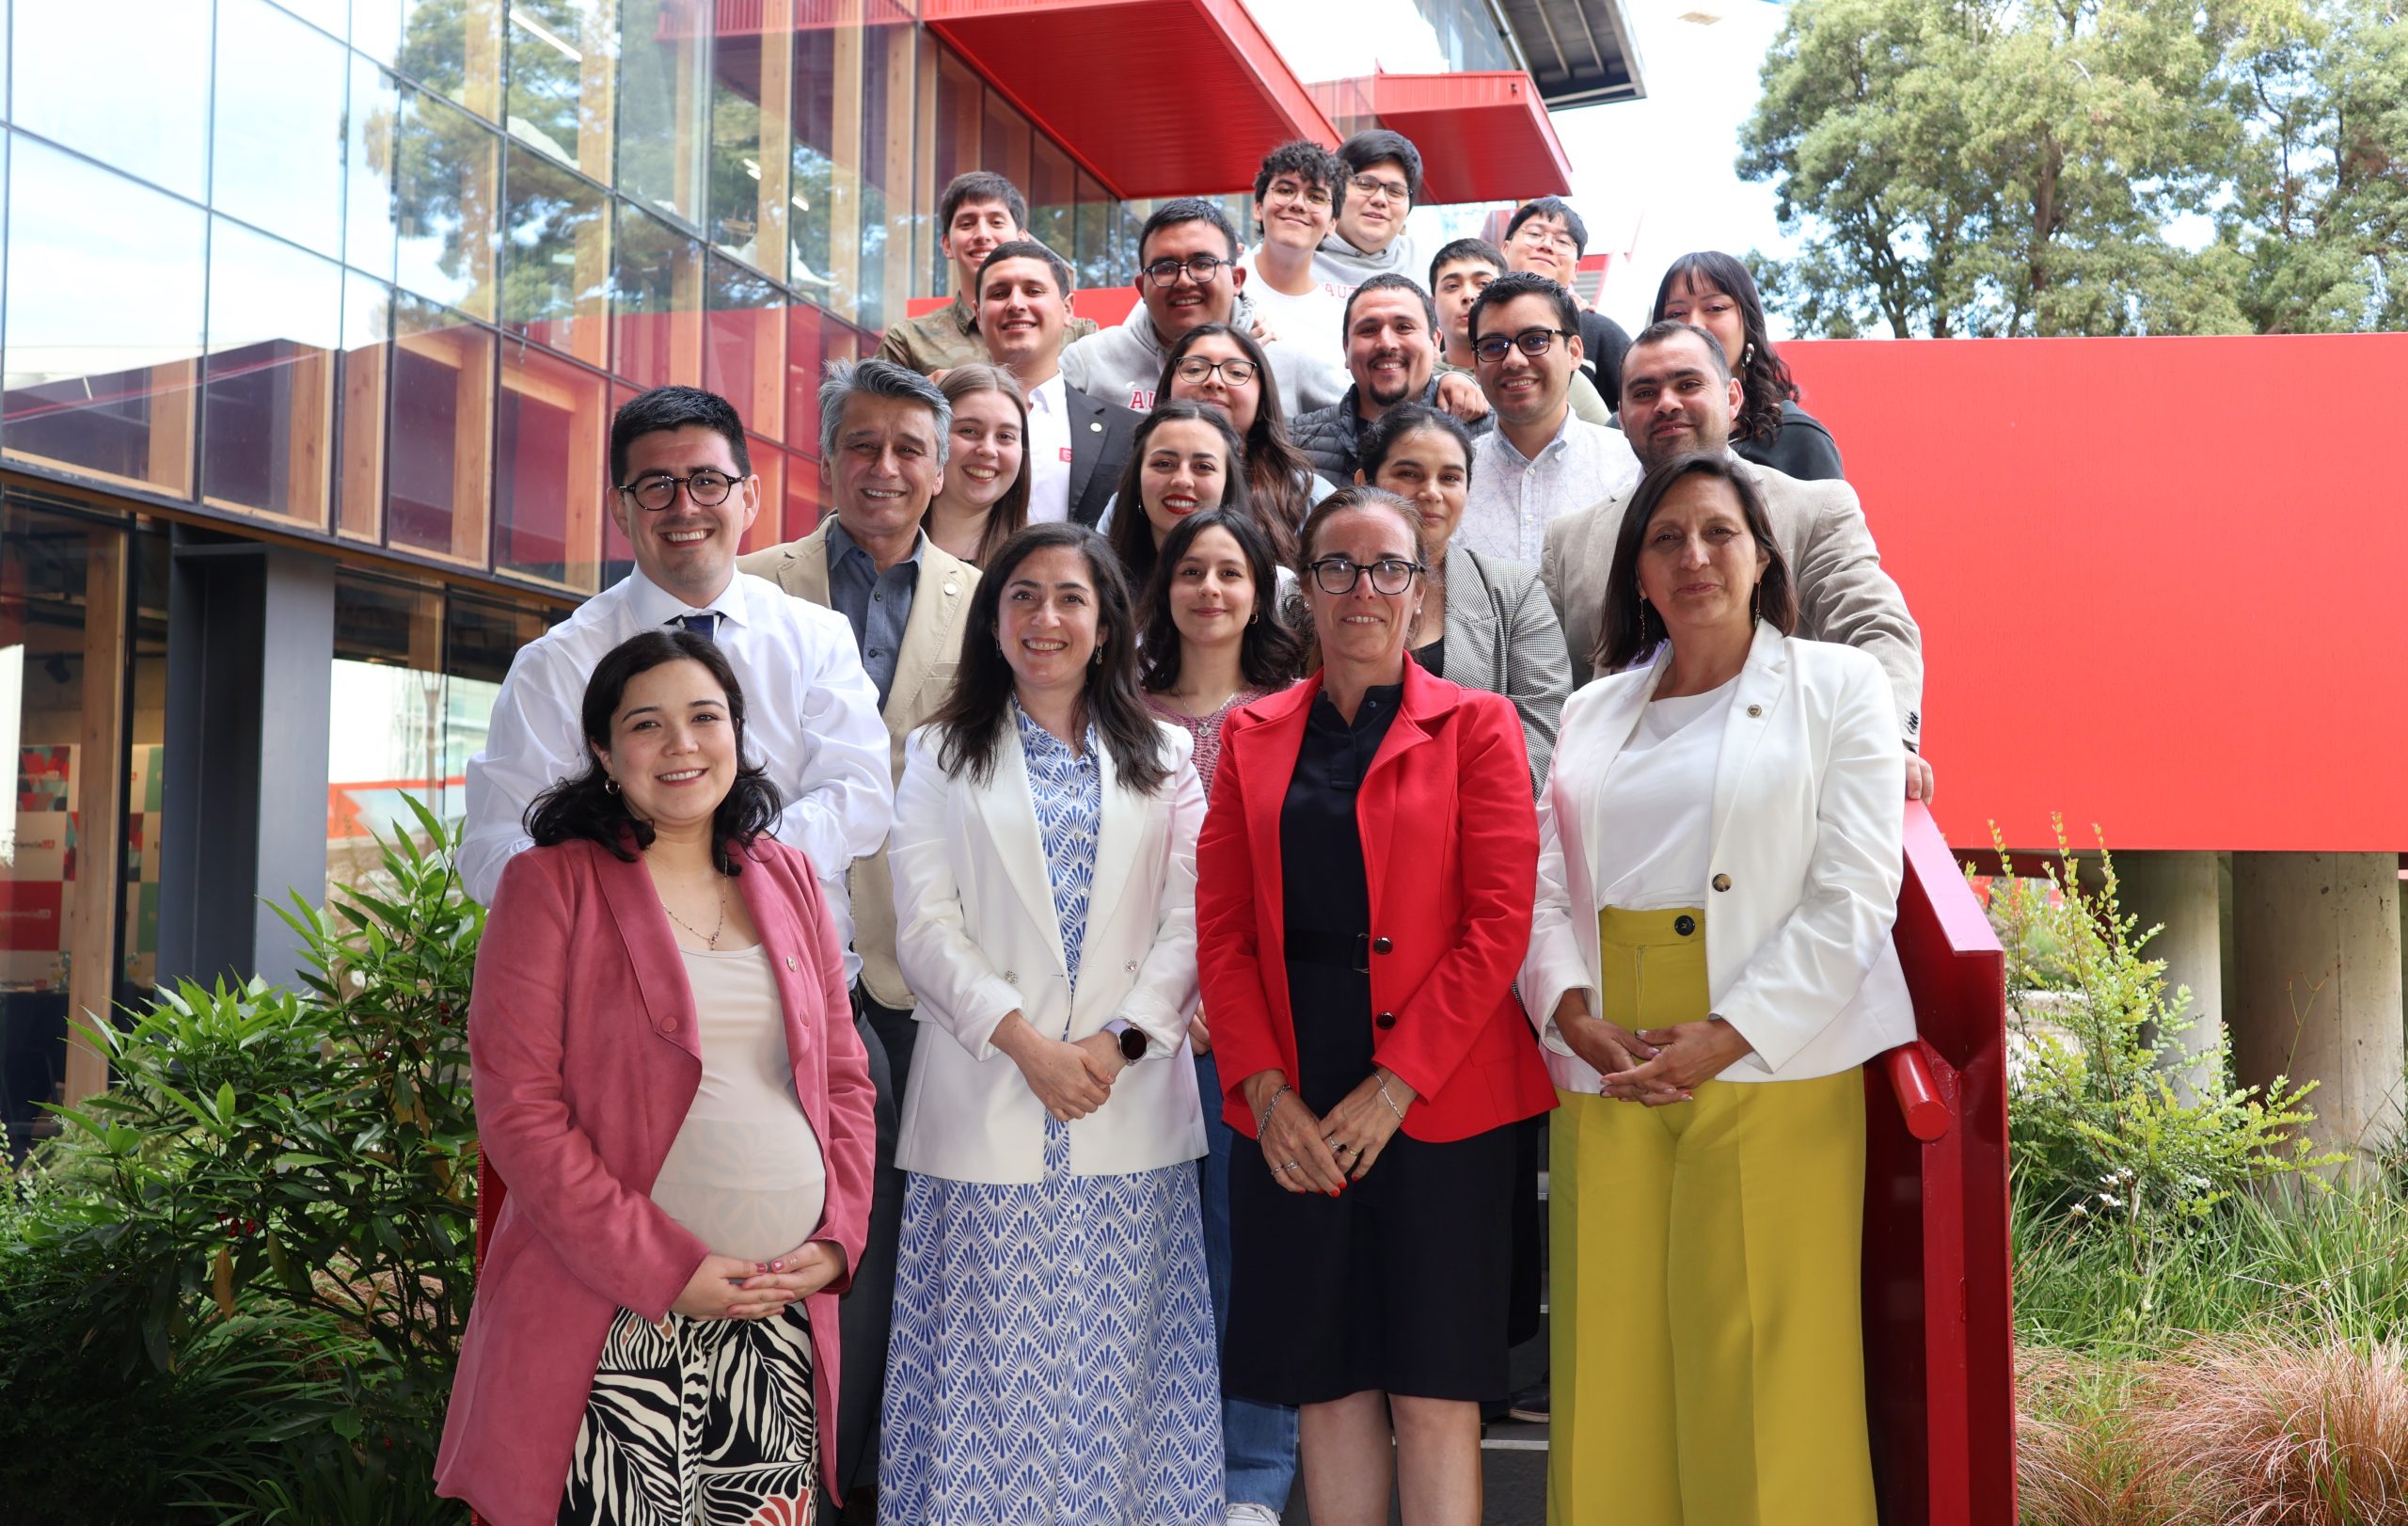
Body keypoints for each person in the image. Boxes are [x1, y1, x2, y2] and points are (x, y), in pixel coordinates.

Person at [1520, 449, 1912, 1526]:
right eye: (1665, 538)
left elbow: (1851, 895)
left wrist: (1729, 1032)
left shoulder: (1839, 687)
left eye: (1718, 533)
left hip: (1771, 1058)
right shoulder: (1595, 708)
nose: (1693, 557)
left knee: (1766, 1385)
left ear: (1761, 553)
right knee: (1610, 1373)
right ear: (1635, 571)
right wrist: (1570, 1012)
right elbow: (1544, 885)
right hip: (1608, 1065)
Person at [436, 630, 879, 1525]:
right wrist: (665, 1267)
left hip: (772, 1323)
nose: (681, 745)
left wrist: (837, 1239)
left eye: (704, 717)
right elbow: (519, 1115)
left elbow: (843, 1079)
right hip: (614, 1320)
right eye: (647, 724)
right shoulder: (548, 886)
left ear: (738, 733)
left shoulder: (785, 875)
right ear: (604, 752)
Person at [1196, 488, 1557, 1526]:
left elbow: (1498, 924)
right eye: (1339, 567)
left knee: (1434, 1391)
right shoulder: (1248, 736)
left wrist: (1394, 1088)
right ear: (1304, 590)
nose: (1364, 589)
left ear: (1419, 588)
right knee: (1327, 1382)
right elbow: (1222, 931)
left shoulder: (1479, 726)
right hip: (1294, 1101)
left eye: (1388, 567)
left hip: (1441, 1102)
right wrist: (1264, 1093)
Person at [879, 522, 1220, 1522]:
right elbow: (924, 923)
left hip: (1129, 1110)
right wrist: (1026, 1044)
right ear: (992, 620)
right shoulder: (941, 750)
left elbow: (1195, 913)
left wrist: (1115, 1044)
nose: (1045, 618)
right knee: (987, 1392)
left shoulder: (1163, 753)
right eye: (1021, 595)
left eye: (1070, 597)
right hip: (987, 1098)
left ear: (1108, 624)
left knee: (1131, 1387)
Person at [732, 358, 977, 1512]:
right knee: (807, 1237)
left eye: (908, 449)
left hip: (940, 981)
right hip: (789, 965)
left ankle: (899, 1479)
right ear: (826, 459)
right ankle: (801, 1477)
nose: (885, 468)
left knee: (927, 1255)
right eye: (862, 445)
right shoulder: (744, 586)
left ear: (941, 466)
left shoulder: (991, 602)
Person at [460, 385, 891, 932]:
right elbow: (494, 850)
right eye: (655, 487)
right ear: (620, 507)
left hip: (803, 983)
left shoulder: (817, 637)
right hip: (623, 984)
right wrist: (641, 880)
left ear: (749, 498)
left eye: (709, 482)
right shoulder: (556, 663)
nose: (685, 507)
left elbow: (862, 799)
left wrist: (723, 858)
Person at [1539, 321, 1931, 795]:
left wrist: (1886, 740)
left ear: (1732, 399)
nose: (1666, 403)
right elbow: (1545, 688)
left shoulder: (1813, 509)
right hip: (1613, 811)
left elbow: (1876, 624)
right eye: (1645, 392)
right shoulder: (1570, 540)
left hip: (1769, 801)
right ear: (1620, 416)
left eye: (1688, 384)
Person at [1136, 507, 1307, 1526]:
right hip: (1141, 1025)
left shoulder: (1291, 710)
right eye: (1190, 570)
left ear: (1260, 591)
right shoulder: (1119, 707)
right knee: (1159, 1253)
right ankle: (1159, 1462)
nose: (1209, 589)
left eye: (1230, 572)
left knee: (1248, 1249)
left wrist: (1222, 997)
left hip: (1253, 1024)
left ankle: (1250, 1471)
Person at [1354, 404, 1568, 794]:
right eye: (1408, 473)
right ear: (1364, 482)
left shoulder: (1514, 592)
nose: (1431, 492)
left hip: (1470, 825)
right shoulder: (1312, 593)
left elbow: (1543, 734)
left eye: (1450, 477)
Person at [1062, 198, 1344, 417]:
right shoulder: (1089, 363)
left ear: (1236, 280)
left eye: (1202, 264)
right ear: (1141, 288)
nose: (1184, 281)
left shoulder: (1290, 361)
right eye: (1165, 267)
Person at [1460, 271, 1640, 564]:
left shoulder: (1632, 469)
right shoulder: (1451, 477)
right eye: (1494, 346)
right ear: (1476, 367)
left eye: (1535, 340)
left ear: (1575, 352)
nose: (1514, 360)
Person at [975, 239, 1138, 528]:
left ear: (1068, 309)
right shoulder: (941, 414)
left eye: (1033, 291)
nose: (1015, 304)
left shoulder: (1127, 431)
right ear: (978, 313)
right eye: (999, 293)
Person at [875, 170, 1098, 374]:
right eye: (966, 224)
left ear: (1023, 239)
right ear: (946, 245)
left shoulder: (1079, 336)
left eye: (996, 222)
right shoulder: (909, 341)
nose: (982, 234)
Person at [1653, 250, 1845, 482]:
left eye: (1715, 308)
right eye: (1676, 313)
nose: (1693, 324)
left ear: (1749, 324)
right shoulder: (1627, 432)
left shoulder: (1796, 439)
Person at [1290, 276, 1493, 485]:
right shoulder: (1293, 445)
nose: (1386, 343)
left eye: (1404, 327)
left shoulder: (1489, 433)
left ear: (1434, 342)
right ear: (1346, 348)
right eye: (1369, 330)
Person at [1158, 321, 1332, 532]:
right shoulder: (1138, 491)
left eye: (1237, 373)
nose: (1214, 381)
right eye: (1194, 369)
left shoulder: (1309, 498)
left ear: (1262, 400)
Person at [1431, 238, 1611, 426]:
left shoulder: (1561, 375)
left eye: (1483, 284)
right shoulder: (1420, 379)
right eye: (1452, 285)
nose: (1468, 295)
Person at [1105, 399, 1274, 596]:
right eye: (1164, 463)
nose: (1182, 480)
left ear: (1228, 483)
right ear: (1137, 477)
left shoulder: (1274, 590)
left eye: (1203, 466)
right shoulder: (1100, 587)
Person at [1501, 197, 1633, 407]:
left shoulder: (1601, 333)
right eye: (1535, 234)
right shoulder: (1468, 324)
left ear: (1576, 270)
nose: (1546, 245)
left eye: (1562, 241)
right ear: (1505, 249)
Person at [1237, 141, 1351, 377]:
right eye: (1285, 190)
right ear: (1258, 207)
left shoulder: (1340, 322)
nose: (1298, 204)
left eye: (1316, 197)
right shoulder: (1219, 286)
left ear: (1332, 223)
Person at [927, 362, 1030, 565]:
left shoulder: (1034, 559)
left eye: (1005, 436)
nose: (988, 449)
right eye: (968, 430)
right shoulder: (878, 542)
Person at [1313, 130, 1424, 297]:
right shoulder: (1293, 255)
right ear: (1335, 189)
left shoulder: (1427, 266)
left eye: (1395, 191)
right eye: (1365, 184)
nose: (1380, 199)